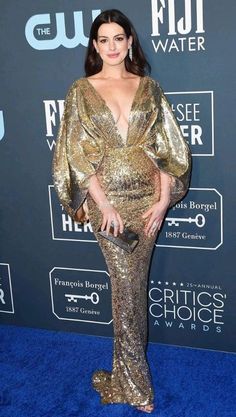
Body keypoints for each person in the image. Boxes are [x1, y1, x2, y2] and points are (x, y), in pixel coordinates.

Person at [52, 9, 191, 414]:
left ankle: (128, 376)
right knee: (127, 288)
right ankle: (137, 386)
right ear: (95, 46)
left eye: (119, 38)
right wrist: (102, 202)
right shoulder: (81, 90)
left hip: (149, 202)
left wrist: (163, 201)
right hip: (107, 206)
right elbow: (75, 153)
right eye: (104, 40)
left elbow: (167, 150)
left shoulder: (149, 87)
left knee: (130, 289)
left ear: (130, 42)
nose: (112, 47)